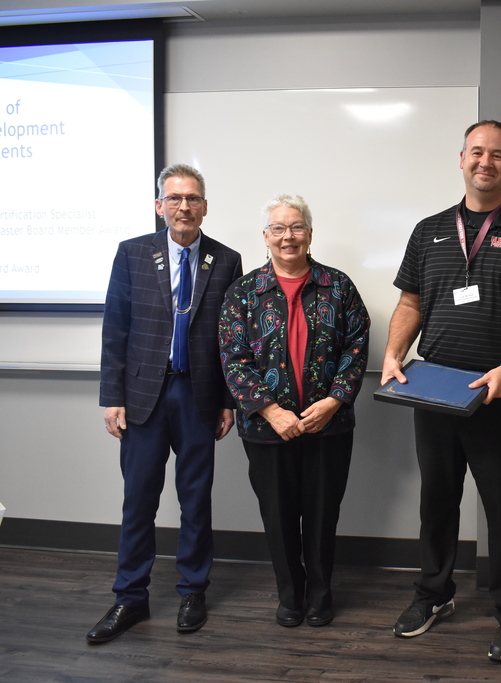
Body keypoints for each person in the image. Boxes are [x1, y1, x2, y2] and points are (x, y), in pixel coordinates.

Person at [382, 120, 501, 661]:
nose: (486, 162)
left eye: (497, 154)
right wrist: (391, 353)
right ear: (461, 159)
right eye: (477, 152)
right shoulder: (429, 229)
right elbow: (410, 303)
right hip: (434, 391)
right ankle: (434, 594)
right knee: (436, 502)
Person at [89, 164, 243, 643]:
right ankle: (130, 597)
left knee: (196, 500)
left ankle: (193, 590)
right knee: (138, 501)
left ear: (204, 206)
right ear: (160, 205)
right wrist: (112, 396)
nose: (183, 206)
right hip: (142, 397)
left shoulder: (227, 259)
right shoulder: (133, 253)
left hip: (197, 396)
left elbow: (229, 339)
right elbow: (115, 327)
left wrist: (227, 401)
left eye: (192, 198)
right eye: (174, 198)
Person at [219, 193, 369, 628]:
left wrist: (334, 400)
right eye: (279, 229)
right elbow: (232, 357)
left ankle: (321, 594)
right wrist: (270, 411)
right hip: (267, 429)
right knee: (279, 516)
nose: (289, 236)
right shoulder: (244, 292)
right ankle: (290, 595)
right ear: (265, 237)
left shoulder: (338, 286)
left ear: (309, 232)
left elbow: (356, 346)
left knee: (323, 515)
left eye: (297, 227)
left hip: (330, 424)